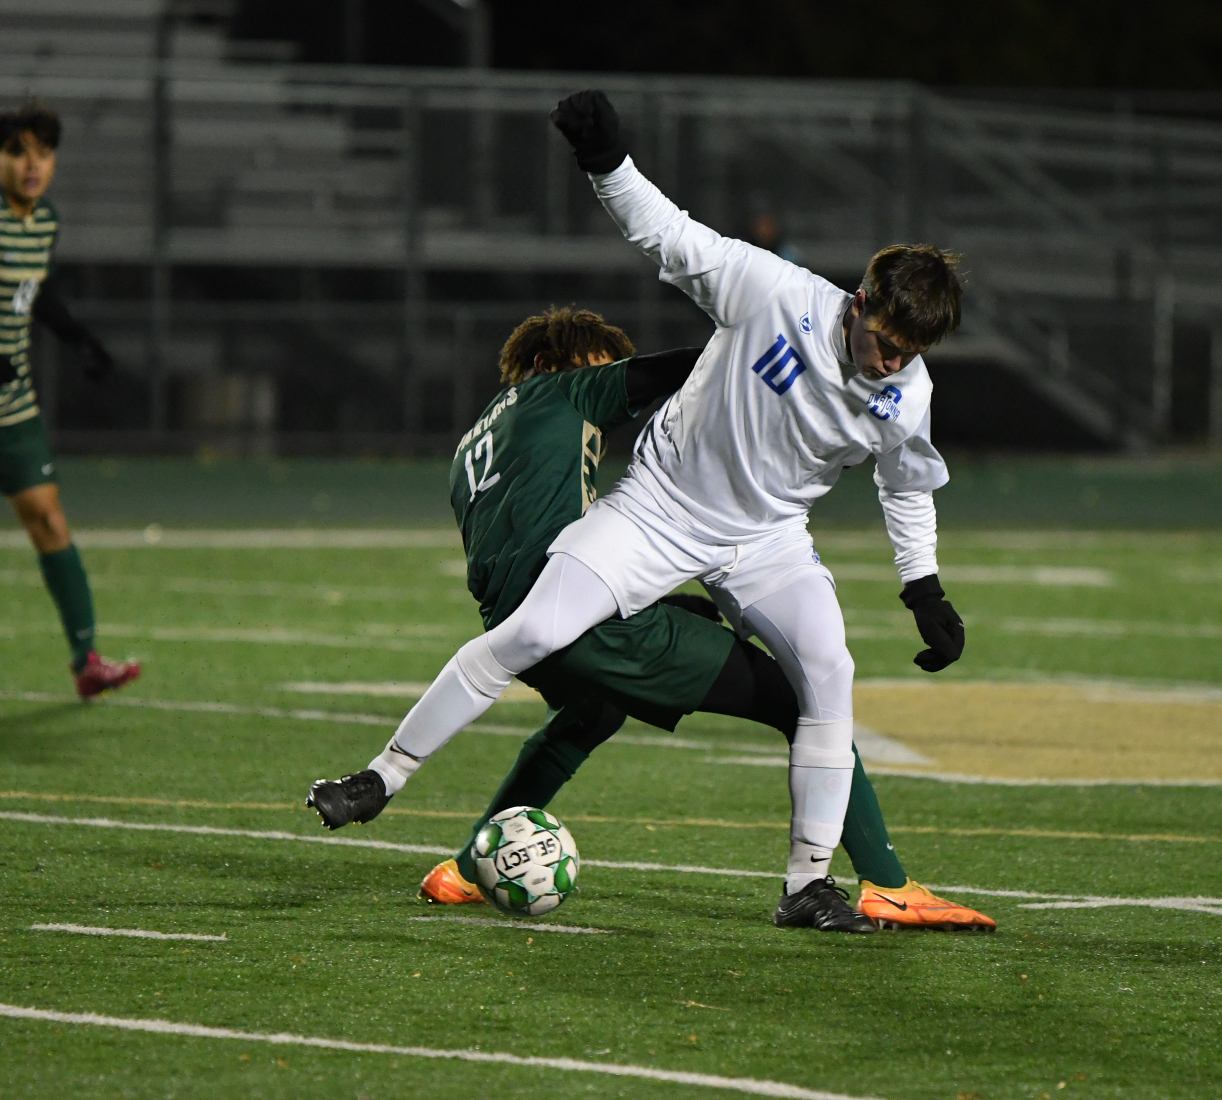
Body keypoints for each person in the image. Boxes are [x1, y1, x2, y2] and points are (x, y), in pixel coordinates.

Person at [326, 88, 971, 934]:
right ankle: (383, 776)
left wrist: (923, 587)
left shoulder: (907, 389)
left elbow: (906, 485)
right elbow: (669, 234)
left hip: (768, 540)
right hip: (659, 510)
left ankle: (808, 886)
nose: (892, 363)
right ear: (858, 303)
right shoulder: (775, 293)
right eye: (886, 340)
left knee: (830, 674)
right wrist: (606, 162)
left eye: (909, 351)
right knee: (532, 630)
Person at [0, 101, 139, 698]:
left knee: (50, 520)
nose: (33, 165)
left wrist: (78, 337)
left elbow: (38, 292)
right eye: (17, 152)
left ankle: (87, 661)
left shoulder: (44, 221)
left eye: (43, 152)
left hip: (12, 406)